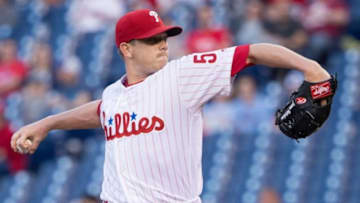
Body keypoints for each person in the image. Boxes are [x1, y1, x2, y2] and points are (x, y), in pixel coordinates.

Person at [11, 9, 331, 202]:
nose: (162, 43)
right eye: (152, 39)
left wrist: (311, 68)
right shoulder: (114, 94)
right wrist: (47, 123)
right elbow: (100, 111)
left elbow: (252, 52)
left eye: (163, 36)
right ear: (127, 49)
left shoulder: (181, 75)